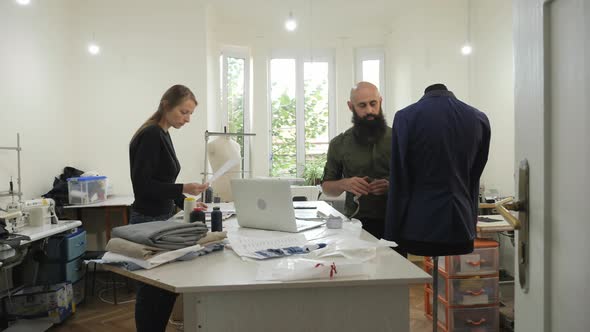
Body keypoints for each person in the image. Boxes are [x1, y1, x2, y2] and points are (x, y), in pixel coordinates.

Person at [129, 84, 209, 332]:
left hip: (160, 218)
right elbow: (143, 186)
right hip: (148, 221)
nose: (187, 119)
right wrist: (184, 188)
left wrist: (187, 202)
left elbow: (162, 184)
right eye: (184, 112)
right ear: (166, 105)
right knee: (153, 289)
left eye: (190, 114)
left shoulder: (163, 133)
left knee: (162, 289)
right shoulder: (151, 134)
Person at [385, 83, 491, 257]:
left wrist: (391, 233)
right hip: (461, 224)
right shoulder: (478, 118)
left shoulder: (405, 117)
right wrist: (471, 222)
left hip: (419, 226)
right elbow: (474, 177)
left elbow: (400, 179)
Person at [321, 82, 391, 239]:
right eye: (362, 106)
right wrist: (344, 184)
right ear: (351, 106)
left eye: (373, 104)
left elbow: (417, 180)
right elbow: (326, 187)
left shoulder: (400, 139)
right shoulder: (338, 144)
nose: (369, 111)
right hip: (356, 225)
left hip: (395, 223)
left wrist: (391, 186)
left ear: (380, 101)